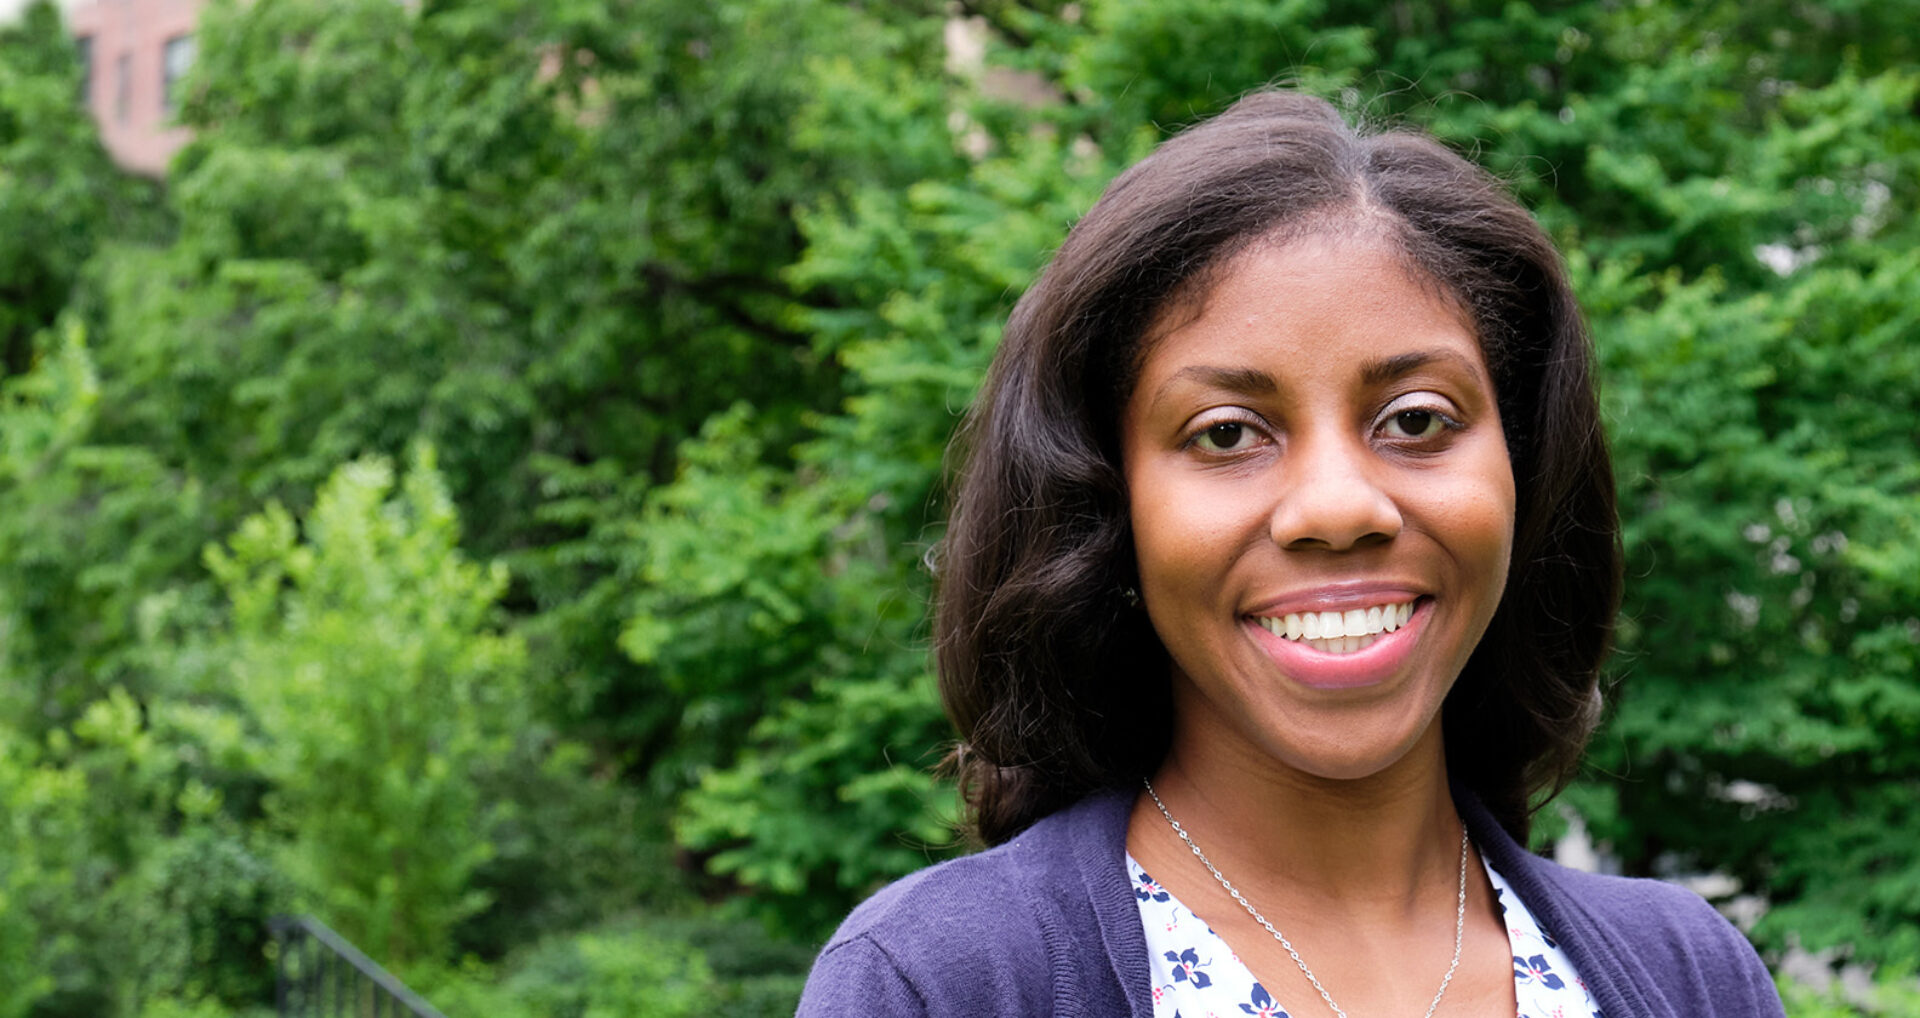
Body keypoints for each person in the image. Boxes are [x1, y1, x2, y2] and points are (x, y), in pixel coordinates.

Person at [797, 89, 1784, 1018]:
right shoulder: (942, 982)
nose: (1337, 507)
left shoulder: (1691, 976)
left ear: (1525, 473)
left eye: (1416, 419)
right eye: (1227, 433)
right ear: (1108, 504)